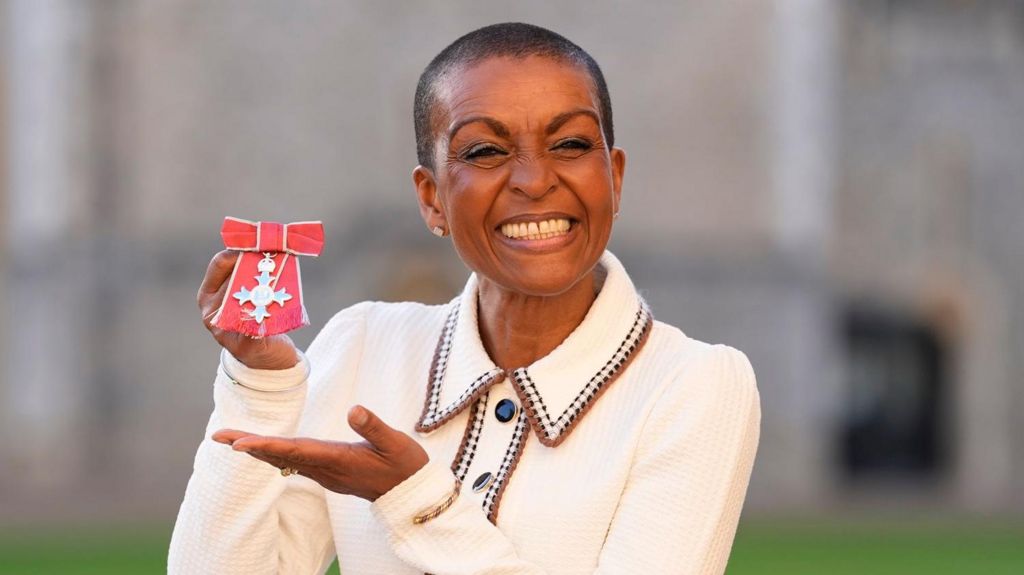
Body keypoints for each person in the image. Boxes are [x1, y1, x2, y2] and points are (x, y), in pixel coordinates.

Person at [168, 22, 761, 575]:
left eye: (571, 144)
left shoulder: (694, 385)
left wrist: (416, 500)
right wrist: (259, 389)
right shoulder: (364, 345)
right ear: (431, 199)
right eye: (485, 151)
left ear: (615, 176)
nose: (534, 180)